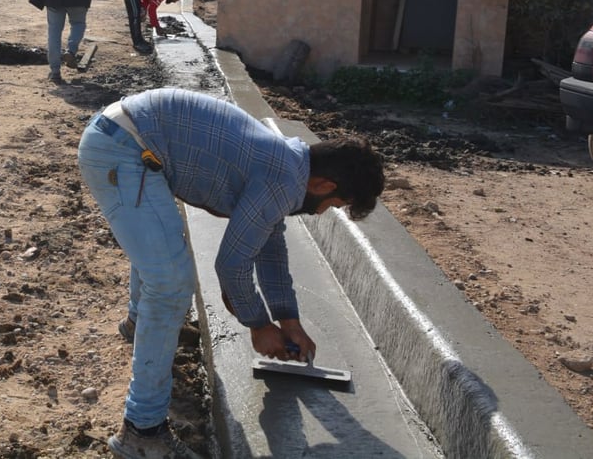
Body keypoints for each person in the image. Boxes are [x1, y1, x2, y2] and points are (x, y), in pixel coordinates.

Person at [77, 88, 384, 459]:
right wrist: (258, 325)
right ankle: (143, 431)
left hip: (124, 133)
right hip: (122, 148)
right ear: (324, 186)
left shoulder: (289, 161)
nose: (322, 212)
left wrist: (288, 320)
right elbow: (232, 264)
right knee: (171, 283)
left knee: (163, 248)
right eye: (334, 205)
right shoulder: (282, 180)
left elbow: (269, 247)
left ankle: (137, 323)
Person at [119, 0, 184, 53]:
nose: (174, 2)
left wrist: (143, 9)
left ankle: (139, 40)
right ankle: (138, 42)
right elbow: (152, 9)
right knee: (135, 15)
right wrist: (156, 26)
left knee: (139, 14)